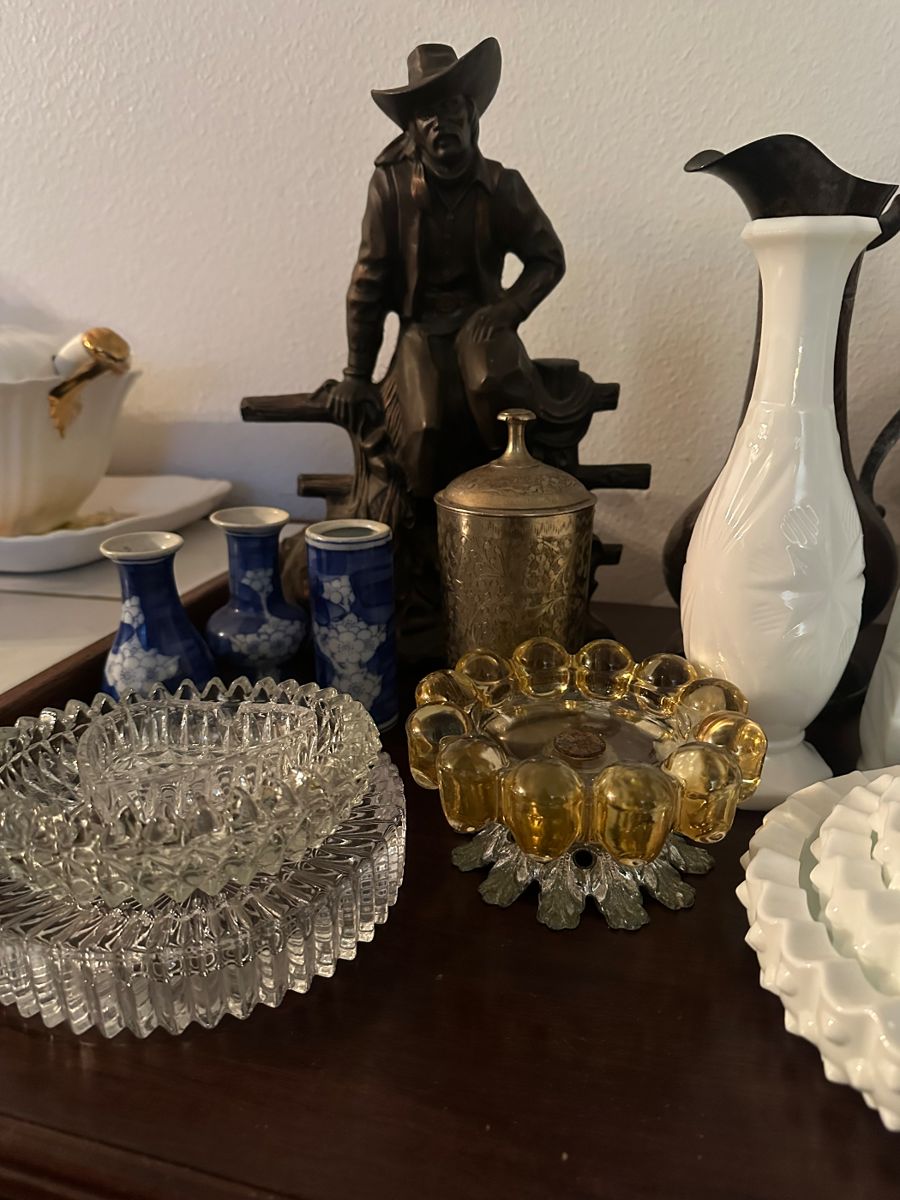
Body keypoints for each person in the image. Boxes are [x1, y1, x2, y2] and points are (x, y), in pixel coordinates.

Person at [332, 37, 566, 497]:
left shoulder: (502, 187)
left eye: (452, 108)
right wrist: (357, 374)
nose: (442, 123)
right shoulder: (391, 188)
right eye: (427, 114)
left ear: (471, 115)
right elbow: (368, 283)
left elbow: (548, 259)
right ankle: (429, 527)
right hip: (421, 328)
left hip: (481, 322)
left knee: (494, 390)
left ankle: (508, 509)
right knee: (423, 431)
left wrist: (508, 309)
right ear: (412, 129)